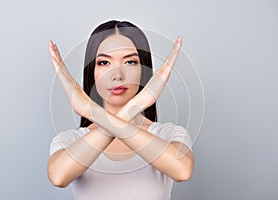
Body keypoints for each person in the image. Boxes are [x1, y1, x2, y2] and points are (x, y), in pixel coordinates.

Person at [47, 20, 194, 200]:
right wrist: (137, 104)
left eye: (130, 62)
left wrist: (90, 110)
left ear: (143, 69)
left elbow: (182, 170)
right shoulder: (71, 140)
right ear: (92, 71)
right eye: (104, 63)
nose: (117, 75)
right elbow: (58, 177)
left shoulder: (168, 134)